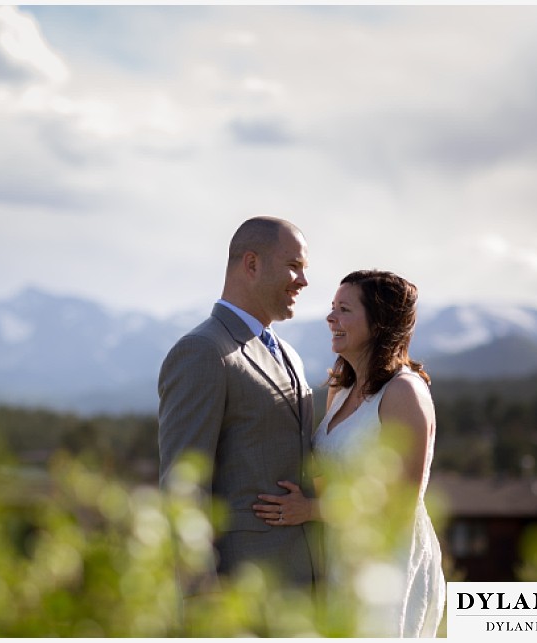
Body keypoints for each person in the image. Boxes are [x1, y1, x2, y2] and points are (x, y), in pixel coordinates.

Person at [252, 269, 446, 637]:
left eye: (344, 309)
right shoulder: (340, 389)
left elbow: (401, 504)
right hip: (339, 556)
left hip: (387, 563)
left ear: (378, 323)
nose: (330, 319)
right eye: (332, 308)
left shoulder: (404, 392)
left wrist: (311, 510)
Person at [158, 216, 322, 605]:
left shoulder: (290, 355)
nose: (303, 281)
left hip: (303, 589)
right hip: (240, 592)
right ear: (251, 264)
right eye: (294, 266)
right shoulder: (202, 351)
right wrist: (201, 597)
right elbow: (183, 488)